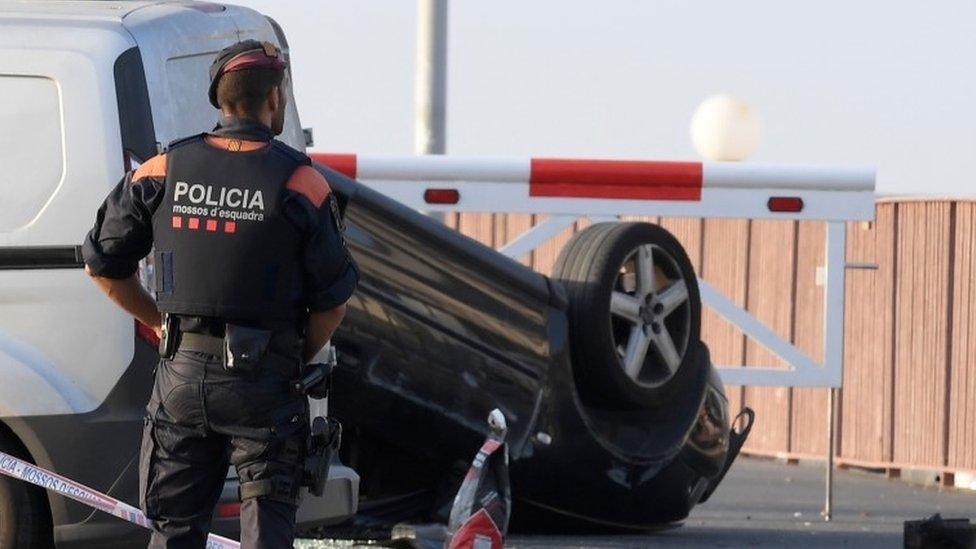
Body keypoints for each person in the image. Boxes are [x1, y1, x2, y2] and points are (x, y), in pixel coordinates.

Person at [81, 39, 358, 548]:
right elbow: (333, 302)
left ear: (218, 100)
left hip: (181, 379)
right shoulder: (302, 182)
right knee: (265, 533)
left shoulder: (162, 170)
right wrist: (294, 357)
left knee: (174, 533)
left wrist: (161, 324)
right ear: (274, 99)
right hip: (266, 387)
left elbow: (101, 262)